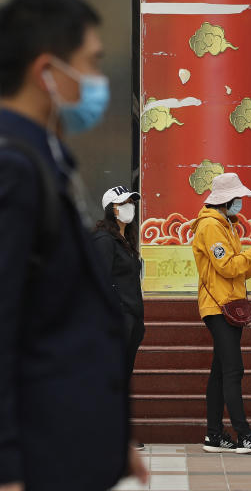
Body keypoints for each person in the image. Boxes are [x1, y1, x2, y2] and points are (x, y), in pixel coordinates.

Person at [0, 0, 147, 491]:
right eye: (93, 63)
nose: (101, 80)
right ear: (47, 73)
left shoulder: (44, 161)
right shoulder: (9, 170)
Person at [192, 172, 251, 454]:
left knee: (220, 372)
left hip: (228, 303)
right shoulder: (210, 226)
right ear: (225, 200)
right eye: (238, 197)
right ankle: (244, 435)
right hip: (218, 306)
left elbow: (242, 268)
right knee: (233, 370)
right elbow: (227, 267)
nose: (241, 202)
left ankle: (214, 436)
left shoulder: (226, 225)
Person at [92, 185, 144, 441]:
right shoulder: (104, 240)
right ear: (111, 210)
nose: (129, 208)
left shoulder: (127, 241)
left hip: (132, 317)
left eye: (131, 203)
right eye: (123, 203)